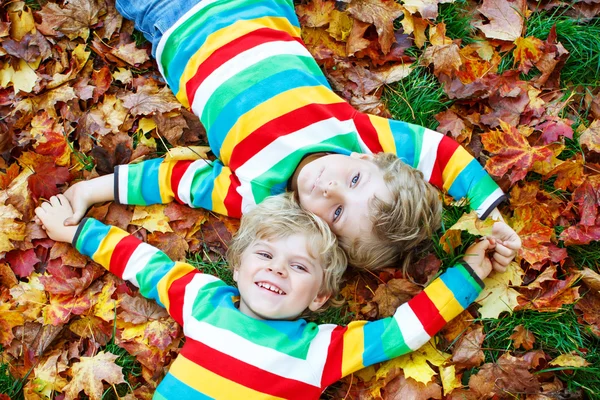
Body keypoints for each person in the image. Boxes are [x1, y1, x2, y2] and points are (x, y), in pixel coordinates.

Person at [64, 0, 521, 271]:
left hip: (175, 17)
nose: (329, 187)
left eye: (337, 211)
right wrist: (492, 215)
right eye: (354, 182)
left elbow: (173, 180)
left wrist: (90, 190)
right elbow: (438, 151)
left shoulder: (256, 194)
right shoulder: (355, 135)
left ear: (319, 230)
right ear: (368, 161)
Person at [36, 192, 499, 399]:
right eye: (265, 255)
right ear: (237, 267)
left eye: (299, 266)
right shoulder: (203, 300)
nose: (277, 268)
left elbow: (403, 331)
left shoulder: (320, 350)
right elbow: (141, 262)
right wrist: (78, 230)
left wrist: (472, 273)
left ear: (319, 297)